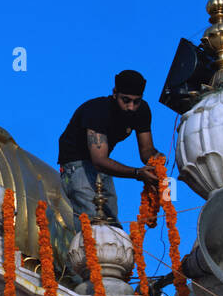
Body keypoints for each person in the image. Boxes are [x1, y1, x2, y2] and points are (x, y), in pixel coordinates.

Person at [57, 70, 161, 228]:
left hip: (102, 168)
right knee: (93, 224)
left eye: (136, 101)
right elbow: (99, 160)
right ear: (115, 94)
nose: (131, 107)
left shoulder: (142, 111)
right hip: (77, 166)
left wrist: (158, 161)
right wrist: (137, 173)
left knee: (112, 226)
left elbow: (146, 151)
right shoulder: (97, 111)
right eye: (126, 100)